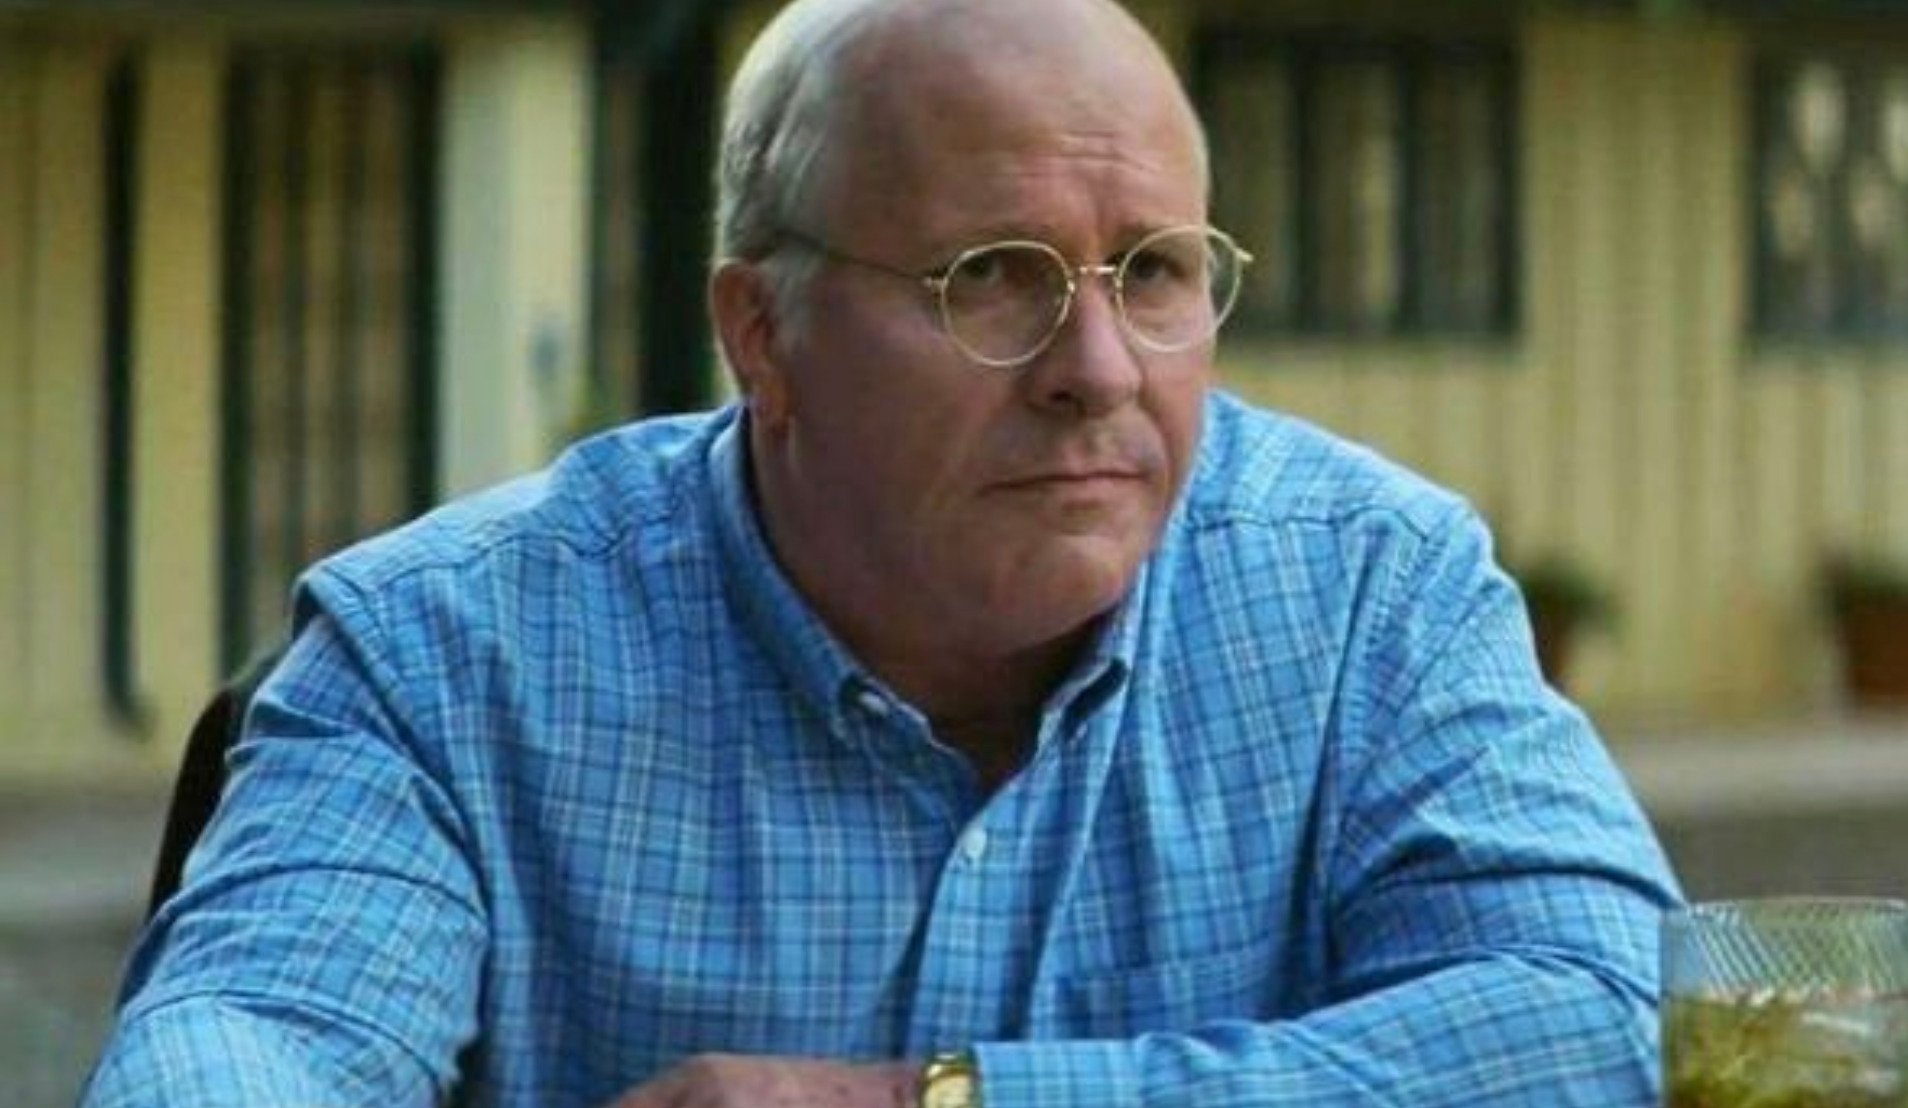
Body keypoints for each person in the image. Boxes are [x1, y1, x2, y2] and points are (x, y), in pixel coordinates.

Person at [84, 0, 1682, 1104]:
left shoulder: (1366, 595)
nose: (1100, 368)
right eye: (995, 278)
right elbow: (252, 1034)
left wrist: (937, 1100)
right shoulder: (446, 654)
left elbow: (1610, 1026)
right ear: (760, 334)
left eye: (1156, 272)